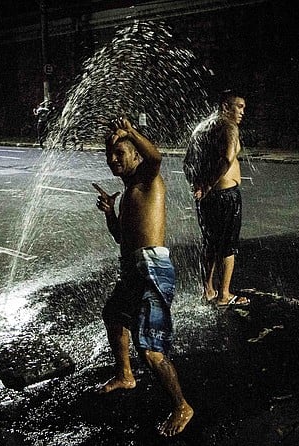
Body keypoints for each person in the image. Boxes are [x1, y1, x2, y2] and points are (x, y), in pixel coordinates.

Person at [92, 117, 194, 437]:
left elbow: (157, 157)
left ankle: (182, 405)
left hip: (152, 269)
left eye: (120, 152)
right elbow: (122, 239)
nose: (113, 159)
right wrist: (110, 212)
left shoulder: (148, 178)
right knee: (114, 315)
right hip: (133, 269)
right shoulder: (128, 192)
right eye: (110, 154)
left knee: (150, 349)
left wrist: (131, 132)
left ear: (135, 155)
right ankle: (125, 375)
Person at [183, 90, 249, 308]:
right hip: (226, 195)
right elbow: (228, 158)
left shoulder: (203, 127)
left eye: (243, 108)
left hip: (207, 198)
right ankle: (224, 295)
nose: (242, 112)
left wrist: (199, 186)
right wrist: (209, 184)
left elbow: (188, 161)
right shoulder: (229, 127)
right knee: (228, 247)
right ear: (225, 106)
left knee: (210, 244)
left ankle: (208, 290)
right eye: (238, 106)